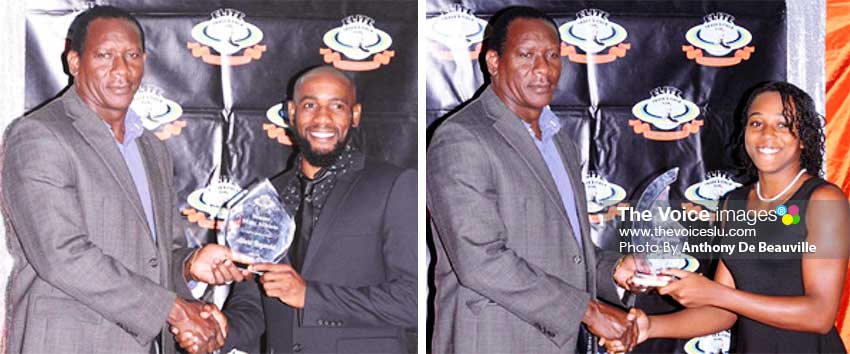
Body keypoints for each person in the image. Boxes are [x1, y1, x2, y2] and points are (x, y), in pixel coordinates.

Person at [1, 6, 252, 354]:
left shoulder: (151, 148)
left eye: (132, 55)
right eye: (104, 55)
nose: (121, 70)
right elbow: (61, 256)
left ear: (145, 60)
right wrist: (175, 311)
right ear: (74, 62)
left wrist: (190, 266)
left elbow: (158, 254)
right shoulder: (39, 135)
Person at [427, 6, 643, 354]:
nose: (543, 69)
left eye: (552, 56)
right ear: (493, 62)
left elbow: (565, 250)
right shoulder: (462, 137)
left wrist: (614, 269)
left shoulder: (560, 141)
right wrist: (587, 311)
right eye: (527, 55)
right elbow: (480, 261)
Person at [623, 81, 850, 353]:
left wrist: (716, 294)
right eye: (756, 123)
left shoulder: (823, 200)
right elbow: (724, 312)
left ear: (803, 138)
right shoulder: (735, 203)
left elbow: (819, 315)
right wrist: (650, 327)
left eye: (783, 124)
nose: (767, 134)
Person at [214, 65, 417, 354]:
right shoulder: (267, 197)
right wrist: (220, 330)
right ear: (292, 113)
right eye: (310, 105)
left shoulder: (393, 186)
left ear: (354, 115)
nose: (323, 118)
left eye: (336, 106)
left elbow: (412, 301)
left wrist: (311, 297)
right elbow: (254, 301)